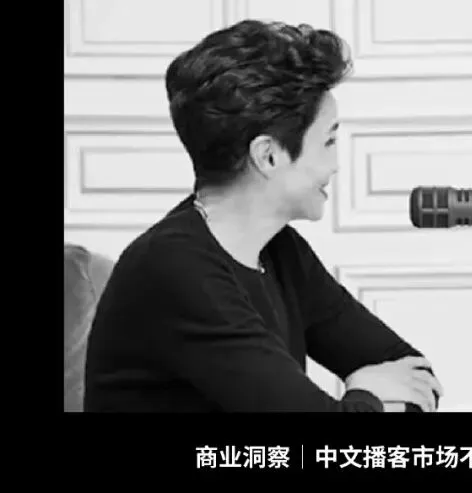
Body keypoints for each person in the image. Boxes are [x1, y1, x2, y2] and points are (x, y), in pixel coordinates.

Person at [83, 19, 443, 412]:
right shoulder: (174, 269)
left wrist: (365, 400)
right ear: (268, 156)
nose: (336, 164)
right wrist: (366, 392)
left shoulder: (279, 250)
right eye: (328, 141)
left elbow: (414, 373)